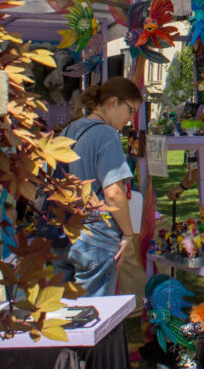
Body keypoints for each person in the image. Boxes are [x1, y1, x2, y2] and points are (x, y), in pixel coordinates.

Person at [54, 77, 141, 296]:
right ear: (113, 102)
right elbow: (113, 193)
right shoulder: (106, 134)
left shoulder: (68, 131)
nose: (131, 120)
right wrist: (128, 235)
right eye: (131, 111)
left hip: (65, 236)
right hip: (96, 239)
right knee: (95, 317)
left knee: (65, 316)